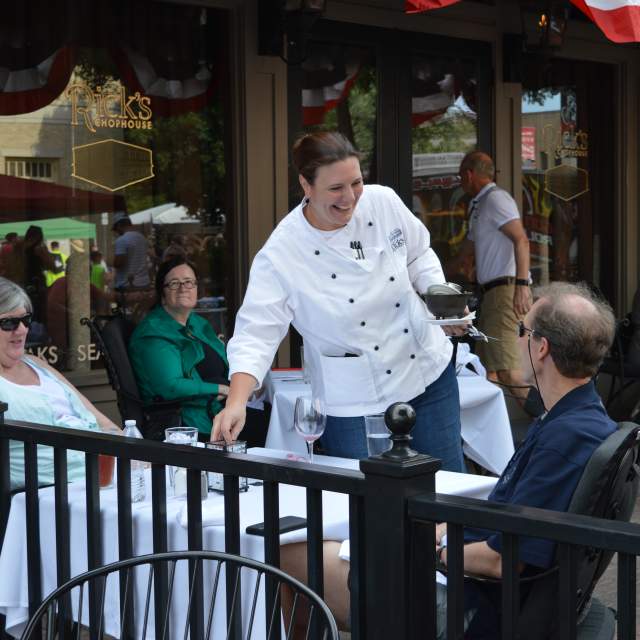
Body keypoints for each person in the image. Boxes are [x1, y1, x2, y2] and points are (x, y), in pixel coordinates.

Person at [281, 281, 617, 637]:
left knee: (291, 555)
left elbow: (501, 560)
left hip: (477, 608)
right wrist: (442, 532)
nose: (517, 340)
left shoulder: (563, 440)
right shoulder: (581, 420)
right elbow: (509, 520)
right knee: (333, 547)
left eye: (523, 331)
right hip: (495, 593)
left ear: (541, 348)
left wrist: (437, 548)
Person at [213, 131, 464, 471]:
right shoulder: (282, 252)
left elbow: (419, 254)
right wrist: (237, 402)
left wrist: (441, 299)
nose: (350, 198)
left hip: (425, 370)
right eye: (335, 189)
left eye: (356, 183)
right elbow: (257, 332)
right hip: (352, 399)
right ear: (306, 185)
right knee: (369, 504)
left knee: (447, 490)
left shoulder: (383, 202)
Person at [128, 256, 267, 443]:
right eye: (174, 283)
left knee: (275, 419)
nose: (183, 288)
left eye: (189, 282)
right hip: (191, 421)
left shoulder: (196, 323)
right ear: (162, 293)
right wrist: (221, 389)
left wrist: (241, 386)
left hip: (220, 409)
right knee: (269, 431)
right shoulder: (154, 333)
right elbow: (170, 386)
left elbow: (227, 359)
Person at [0, 277, 120, 491]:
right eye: (9, 323)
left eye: (26, 320)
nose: (21, 330)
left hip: (106, 477)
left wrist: (136, 454)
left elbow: (102, 422)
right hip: (54, 497)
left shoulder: (36, 363)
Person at [447, 151, 532, 400]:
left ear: (469, 174)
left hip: (505, 292)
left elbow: (521, 240)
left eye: (460, 176)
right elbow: (465, 255)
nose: (460, 182)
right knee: (488, 372)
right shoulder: (480, 206)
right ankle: (498, 436)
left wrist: (522, 285)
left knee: (509, 373)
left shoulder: (496, 199)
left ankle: (549, 430)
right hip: (491, 295)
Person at [112, 212, 150, 289]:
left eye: (116, 229)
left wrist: (114, 262)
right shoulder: (142, 237)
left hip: (128, 284)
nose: (116, 232)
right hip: (144, 282)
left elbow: (119, 263)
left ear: (119, 226)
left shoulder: (121, 240)